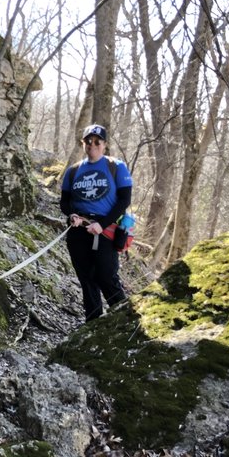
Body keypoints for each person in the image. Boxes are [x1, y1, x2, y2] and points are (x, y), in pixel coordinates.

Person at [60, 124, 133, 320]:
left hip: (106, 229)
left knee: (106, 277)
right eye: (88, 142)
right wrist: (72, 215)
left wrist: (102, 224)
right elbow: (65, 202)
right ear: (83, 144)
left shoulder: (116, 167)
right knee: (86, 280)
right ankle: (92, 324)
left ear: (104, 145)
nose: (92, 145)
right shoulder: (73, 171)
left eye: (97, 142)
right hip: (78, 230)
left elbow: (124, 200)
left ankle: (126, 321)